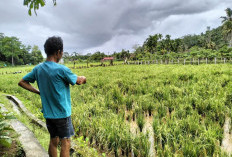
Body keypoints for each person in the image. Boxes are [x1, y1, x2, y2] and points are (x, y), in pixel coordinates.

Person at [18, 36, 86, 157]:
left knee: (53, 140)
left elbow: (22, 82)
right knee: (66, 142)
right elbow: (79, 81)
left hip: (48, 114)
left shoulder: (38, 69)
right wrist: (84, 78)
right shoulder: (62, 69)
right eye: (62, 52)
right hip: (62, 115)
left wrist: (39, 91)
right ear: (58, 52)